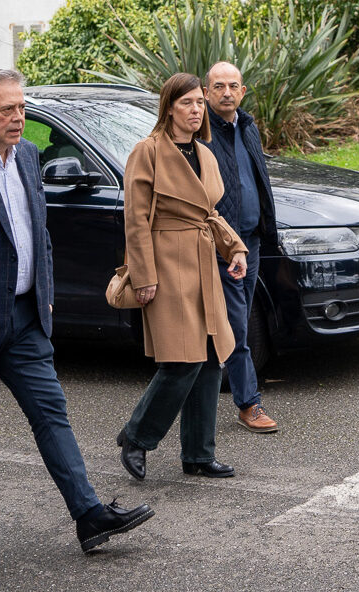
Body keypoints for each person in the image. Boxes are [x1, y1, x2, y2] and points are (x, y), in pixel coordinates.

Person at [0, 68, 153, 558]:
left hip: (24, 317)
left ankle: (88, 515)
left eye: (22, 108)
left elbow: (37, 231)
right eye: (7, 110)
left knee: (51, 413)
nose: (19, 118)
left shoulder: (27, 155)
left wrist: (42, 291)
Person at [116, 72, 251, 483]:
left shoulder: (205, 154)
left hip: (203, 262)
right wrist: (144, 275)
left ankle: (197, 454)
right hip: (166, 264)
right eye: (186, 103)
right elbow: (135, 220)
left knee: (210, 358)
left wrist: (235, 248)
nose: (195, 110)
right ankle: (137, 437)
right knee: (182, 361)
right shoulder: (148, 151)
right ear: (169, 107)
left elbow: (209, 214)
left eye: (198, 103)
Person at [199, 62, 281, 434]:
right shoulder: (201, 137)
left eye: (233, 86)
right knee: (237, 325)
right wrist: (227, 243)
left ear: (243, 91)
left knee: (236, 321)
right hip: (223, 245)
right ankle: (248, 404)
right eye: (218, 86)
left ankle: (198, 390)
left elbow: (258, 179)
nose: (226, 93)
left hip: (252, 241)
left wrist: (265, 229)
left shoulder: (248, 127)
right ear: (206, 92)